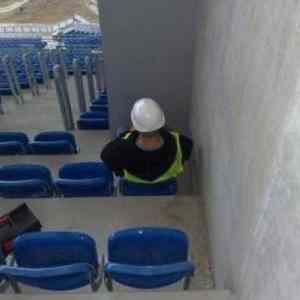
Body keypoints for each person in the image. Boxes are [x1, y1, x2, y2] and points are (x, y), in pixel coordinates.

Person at [101, 98, 193, 184]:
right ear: (161, 123)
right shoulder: (181, 142)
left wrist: (127, 134)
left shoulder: (119, 148)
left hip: (134, 182)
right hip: (166, 179)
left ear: (135, 125)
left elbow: (105, 156)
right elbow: (186, 153)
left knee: (121, 130)